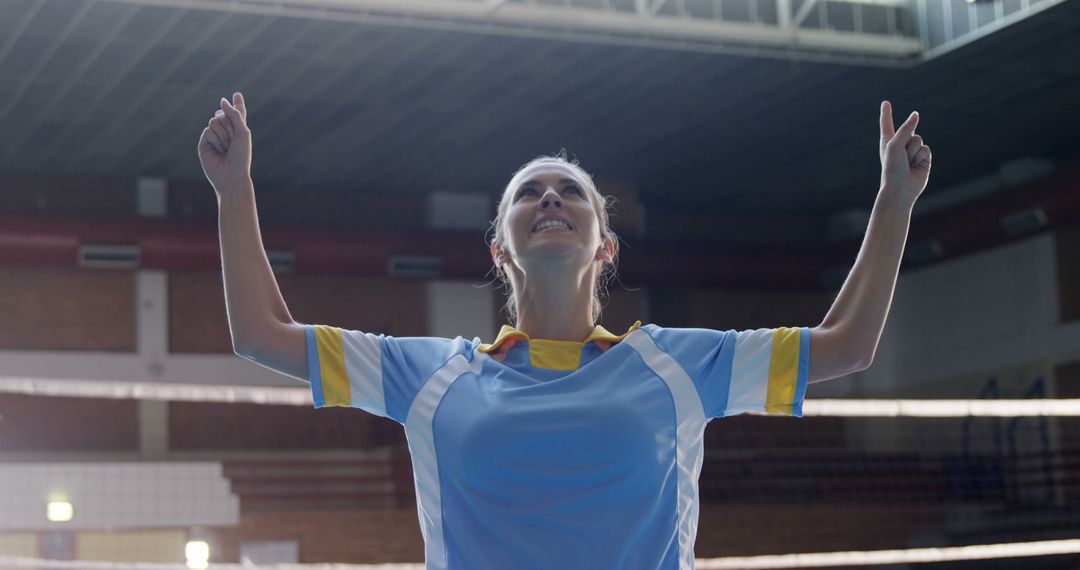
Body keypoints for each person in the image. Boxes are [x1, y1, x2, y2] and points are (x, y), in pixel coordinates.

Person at [199, 92, 931, 569]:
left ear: (606, 246)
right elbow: (260, 334)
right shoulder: (428, 375)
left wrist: (894, 201)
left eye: (569, 192)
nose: (549, 196)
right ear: (499, 248)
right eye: (528, 194)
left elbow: (847, 345)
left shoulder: (679, 365)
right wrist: (236, 192)